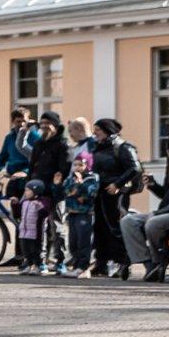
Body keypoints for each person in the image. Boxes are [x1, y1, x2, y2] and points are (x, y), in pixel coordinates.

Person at [86, 118, 141, 278]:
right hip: (100, 192)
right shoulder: (98, 147)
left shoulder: (123, 147)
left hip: (115, 194)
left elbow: (134, 168)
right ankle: (101, 262)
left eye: (98, 129)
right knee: (100, 228)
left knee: (116, 228)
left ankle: (122, 262)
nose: (95, 132)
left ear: (108, 130)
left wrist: (117, 184)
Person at [23, 114, 70, 274]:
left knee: (56, 227)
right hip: (37, 191)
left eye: (48, 123)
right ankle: (38, 262)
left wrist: (57, 184)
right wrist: (29, 185)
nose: (44, 126)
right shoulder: (38, 144)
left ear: (56, 126)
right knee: (35, 227)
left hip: (55, 192)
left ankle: (60, 262)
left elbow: (64, 169)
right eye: (42, 123)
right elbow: (32, 166)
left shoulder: (63, 145)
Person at [60, 154, 98, 277]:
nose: (77, 167)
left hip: (84, 214)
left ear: (87, 165)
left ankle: (83, 267)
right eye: (75, 164)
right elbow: (66, 191)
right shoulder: (70, 178)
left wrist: (80, 184)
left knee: (83, 241)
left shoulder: (91, 178)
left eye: (80, 164)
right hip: (72, 212)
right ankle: (76, 266)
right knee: (73, 242)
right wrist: (57, 184)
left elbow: (90, 193)